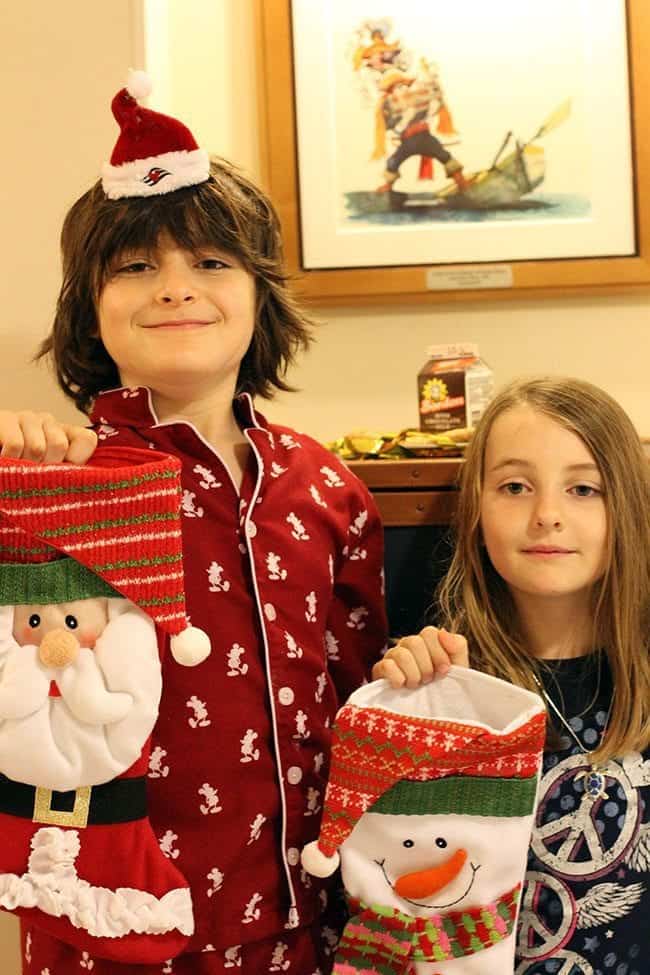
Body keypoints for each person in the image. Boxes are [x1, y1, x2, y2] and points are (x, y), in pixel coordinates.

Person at [0, 71, 387, 974]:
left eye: (211, 262)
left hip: (303, 914)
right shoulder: (57, 480)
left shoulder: (328, 487)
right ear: (90, 305)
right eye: (136, 266)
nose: (176, 288)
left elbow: (358, 688)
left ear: (260, 297)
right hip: (111, 918)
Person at [374, 376, 650, 975]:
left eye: (583, 488)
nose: (547, 515)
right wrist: (417, 725)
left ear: (625, 505)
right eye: (516, 486)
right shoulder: (436, 686)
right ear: (477, 508)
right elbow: (400, 898)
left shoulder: (642, 680)